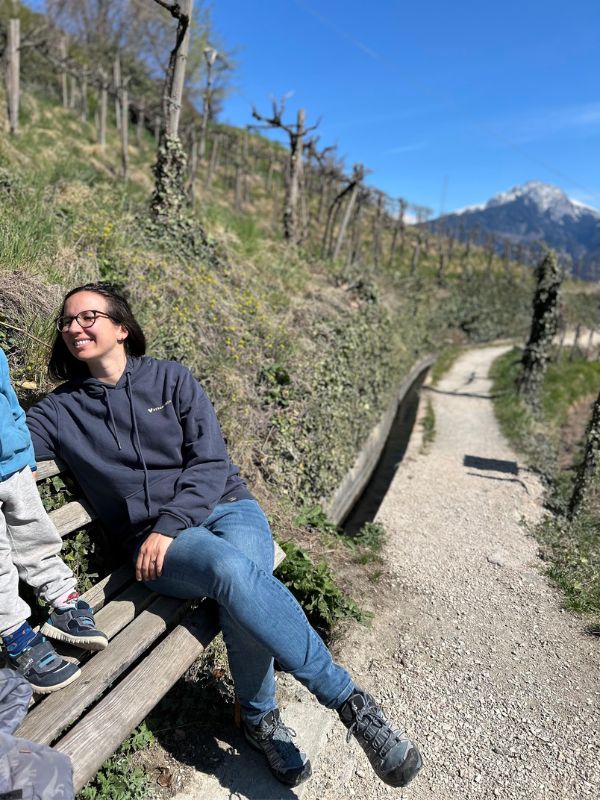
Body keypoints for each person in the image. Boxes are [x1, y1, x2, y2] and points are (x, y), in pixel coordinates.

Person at [27, 282, 423, 789]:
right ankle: (349, 702)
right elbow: (10, 441)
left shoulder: (171, 379)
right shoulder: (61, 412)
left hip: (227, 507)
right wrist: (165, 532)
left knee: (241, 577)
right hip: (158, 546)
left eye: (88, 316)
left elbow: (211, 461)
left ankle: (258, 717)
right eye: (66, 322)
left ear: (121, 328)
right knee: (232, 570)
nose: (75, 327)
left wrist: (172, 523)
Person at [0, 346, 107, 694]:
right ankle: (16, 636)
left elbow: (12, 405)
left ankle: (63, 601)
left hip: (13, 466)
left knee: (38, 538)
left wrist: (28, 457)